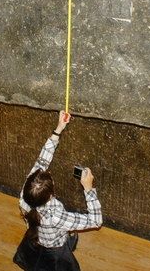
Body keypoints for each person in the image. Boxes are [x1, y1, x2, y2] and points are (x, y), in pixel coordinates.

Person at [13, 111, 103, 270]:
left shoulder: (25, 195)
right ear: (51, 194)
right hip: (54, 251)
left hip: (34, 239)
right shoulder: (56, 216)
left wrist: (58, 129)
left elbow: (42, 161)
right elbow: (96, 221)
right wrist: (88, 188)